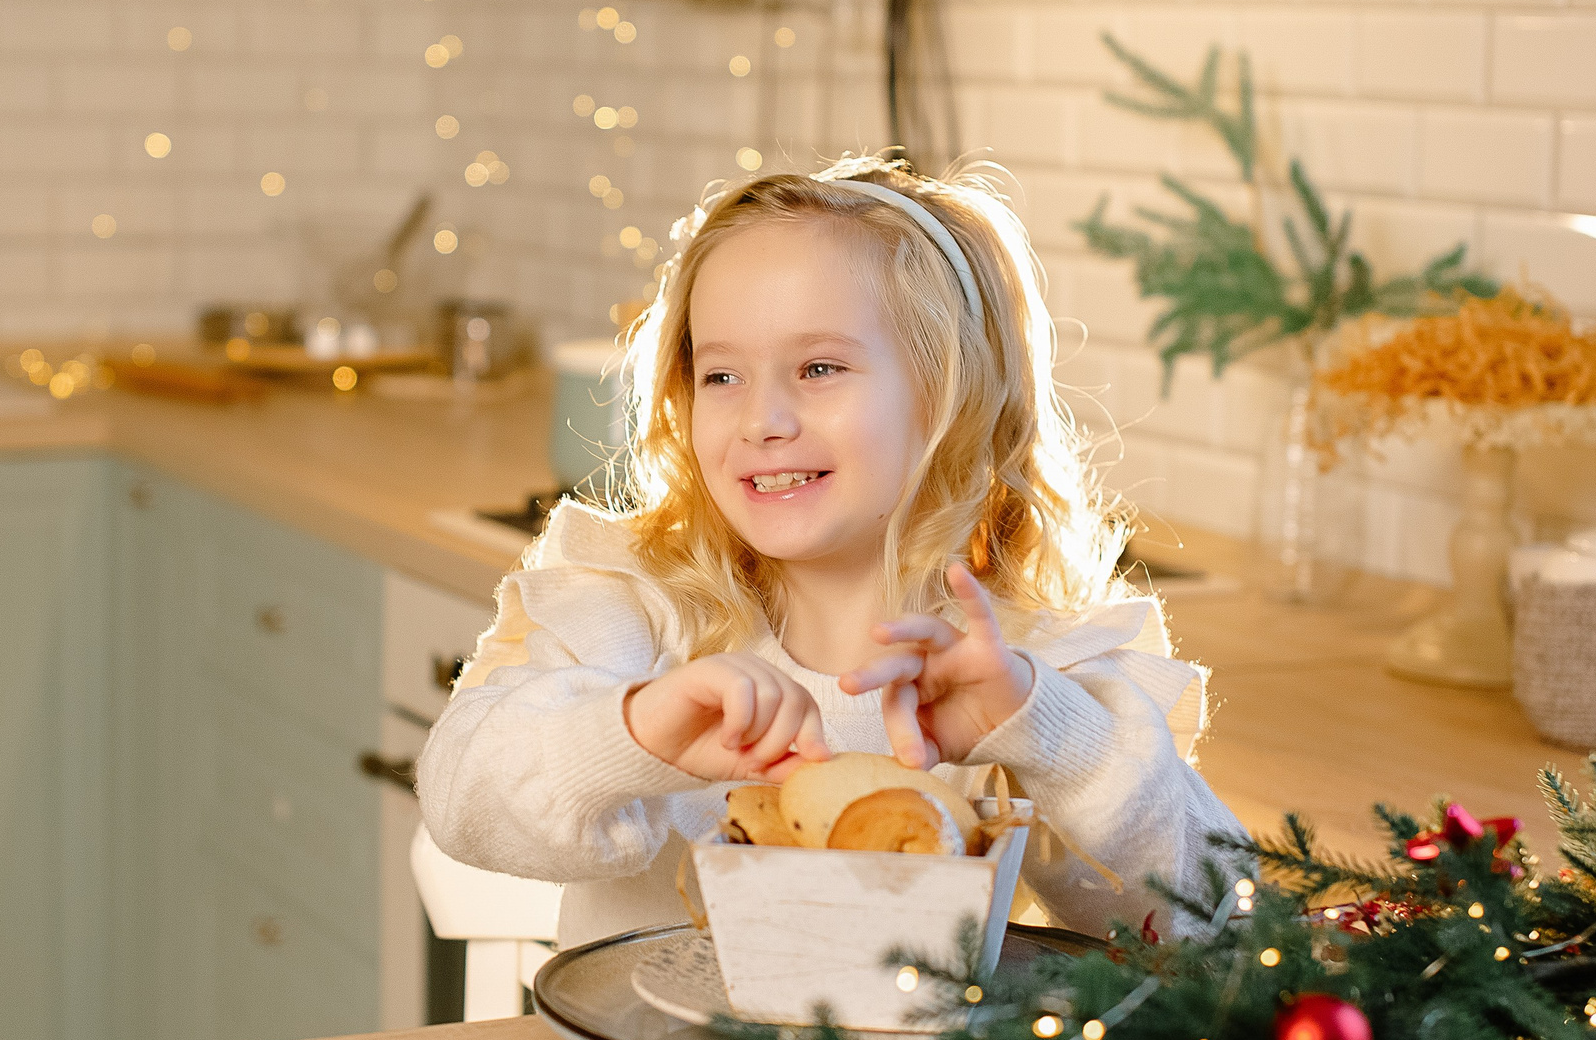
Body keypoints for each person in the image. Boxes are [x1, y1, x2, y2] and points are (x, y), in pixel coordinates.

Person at [417, 158, 1242, 948]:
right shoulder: (633, 614)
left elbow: (1218, 923)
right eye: (722, 376)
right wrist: (634, 732)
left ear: (948, 393)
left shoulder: (1040, 666)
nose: (762, 419)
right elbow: (459, 795)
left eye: (818, 367)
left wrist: (1050, 736)